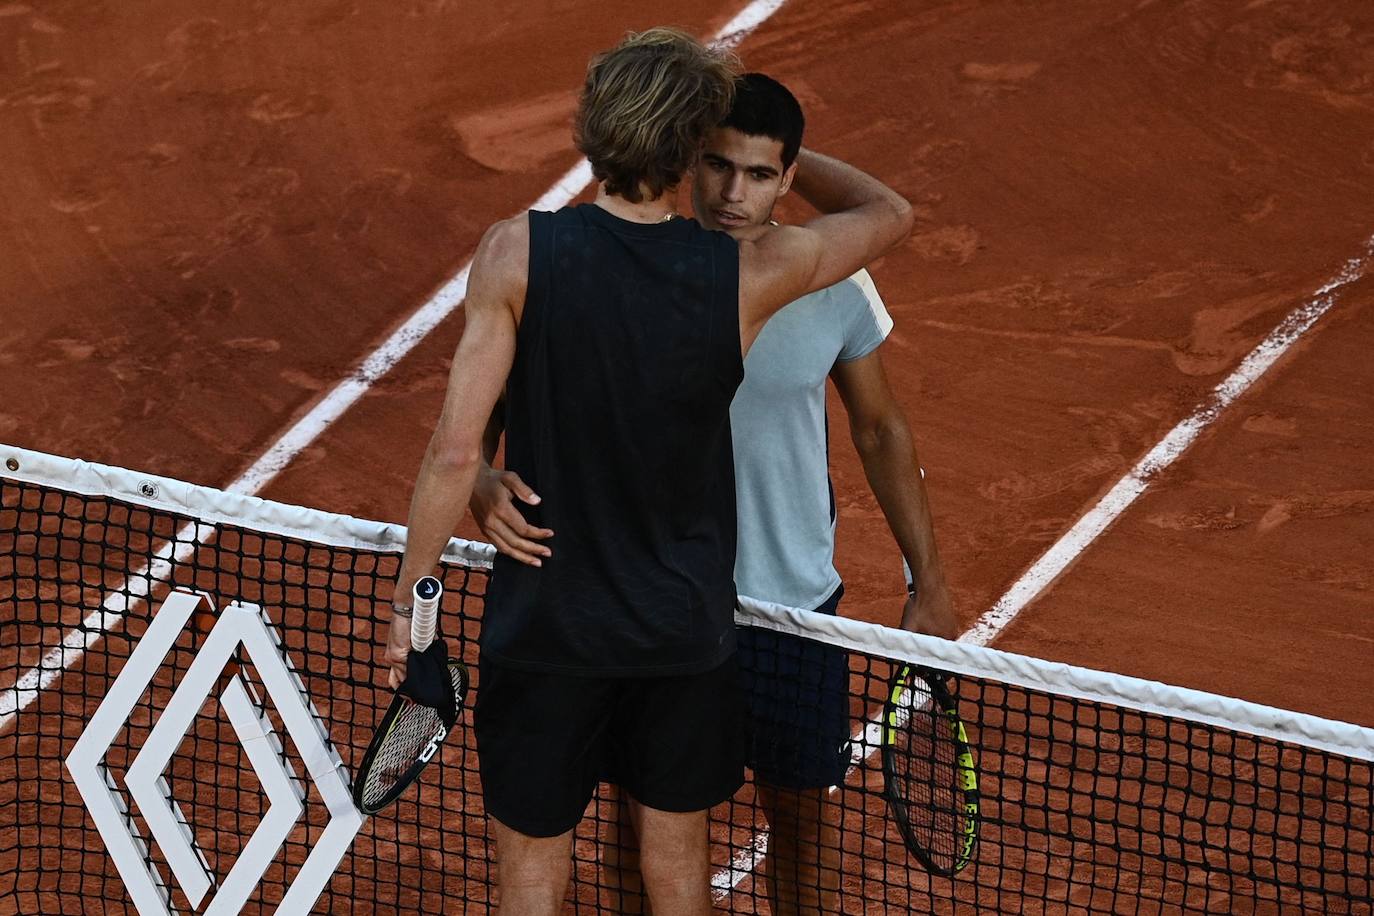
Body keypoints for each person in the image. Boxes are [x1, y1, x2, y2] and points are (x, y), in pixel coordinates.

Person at [383, 29, 915, 916]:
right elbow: (890, 213)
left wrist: (411, 606)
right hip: (680, 635)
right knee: (676, 875)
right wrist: (784, 155)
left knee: (531, 878)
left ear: (591, 129)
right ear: (686, 148)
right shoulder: (749, 272)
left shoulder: (516, 251)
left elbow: (450, 451)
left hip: (548, 628)